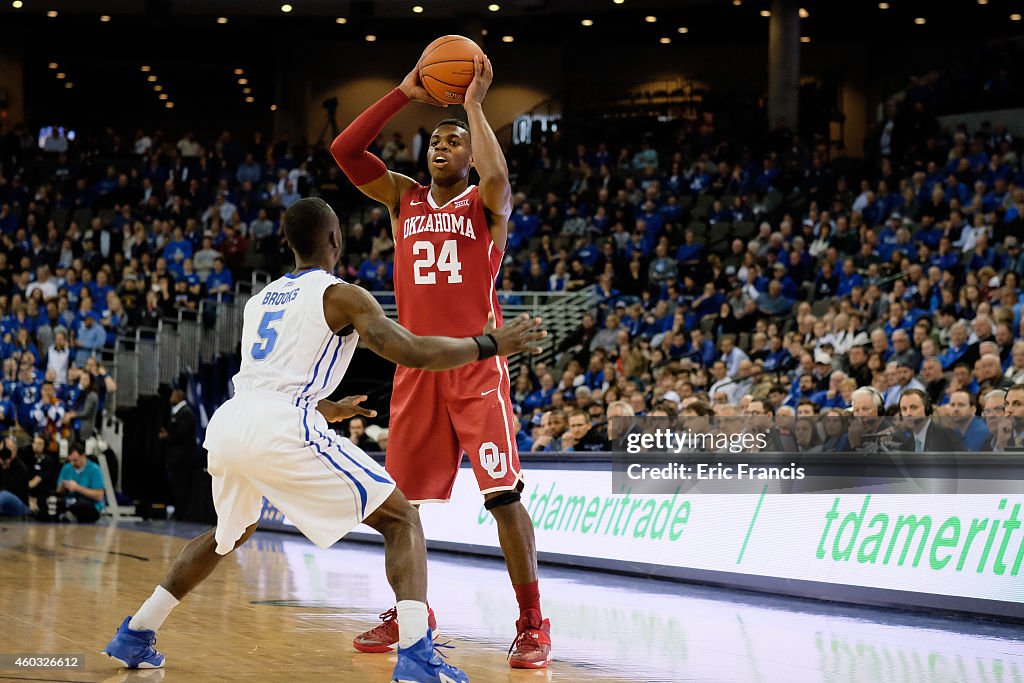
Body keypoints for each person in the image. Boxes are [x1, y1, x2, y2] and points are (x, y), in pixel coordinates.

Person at [102, 197, 544, 683]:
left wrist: (330, 409)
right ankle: (418, 658)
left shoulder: (258, 300)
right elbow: (412, 351)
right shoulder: (341, 295)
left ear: (289, 242)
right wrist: (491, 345)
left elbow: (271, 379)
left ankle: (137, 632)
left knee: (228, 535)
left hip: (231, 423)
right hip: (282, 424)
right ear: (335, 239)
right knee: (401, 519)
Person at [331, 51, 551, 668]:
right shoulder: (403, 199)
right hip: (417, 368)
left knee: (503, 497)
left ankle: (532, 622)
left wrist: (473, 107)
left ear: (471, 155)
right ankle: (411, 615)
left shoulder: (484, 204)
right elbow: (346, 152)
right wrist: (404, 93)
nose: (442, 146)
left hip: (477, 367)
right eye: (435, 138)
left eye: (455, 141)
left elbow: (501, 179)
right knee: (401, 506)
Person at [159, 388, 196, 519]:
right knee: (176, 485)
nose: (170, 397)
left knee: (182, 486)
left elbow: (182, 433)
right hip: (176, 458)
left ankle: (181, 513)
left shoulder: (186, 413)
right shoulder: (178, 412)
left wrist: (168, 435)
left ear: (179, 396)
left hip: (182, 459)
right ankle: (178, 511)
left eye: (173, 395)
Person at [54, 441, 105, 523]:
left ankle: (70, 514)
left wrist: (78, 488)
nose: (72, 463)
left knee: (81, 504)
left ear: (83, 456)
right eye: (71, 460)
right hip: (70, 501)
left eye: (75, 460)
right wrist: (63, 486)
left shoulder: (94, 469)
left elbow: (99, 496)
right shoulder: (67, 468)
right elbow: (58, 491)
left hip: (89, 505)